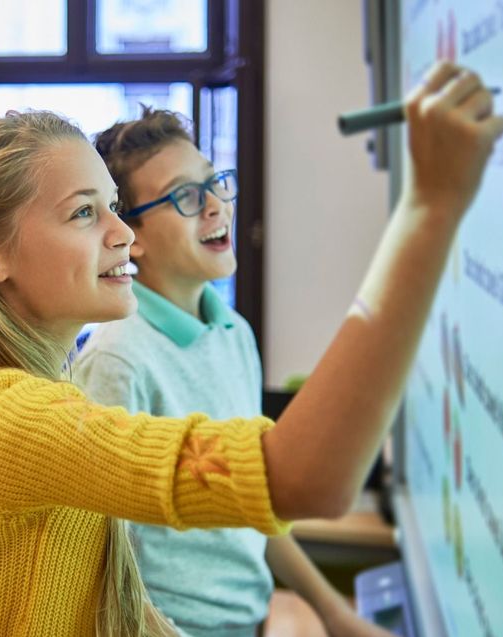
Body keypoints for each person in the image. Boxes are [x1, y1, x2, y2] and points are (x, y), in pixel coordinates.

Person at [0, 61, 503, 636]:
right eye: (83, 214)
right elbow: (304, 477)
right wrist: (429, 207)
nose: (123, 234)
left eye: (114, 207)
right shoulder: (5, 416)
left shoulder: (18, 396)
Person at [75, 107, 394, 637]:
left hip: (250, 621)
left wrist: (334, 613)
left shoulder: (234, 334)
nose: (216, 206)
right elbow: (102, 565)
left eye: (214, 183)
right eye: (185, 196)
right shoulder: (117, 359)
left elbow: (255, 502)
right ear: (134, 235)